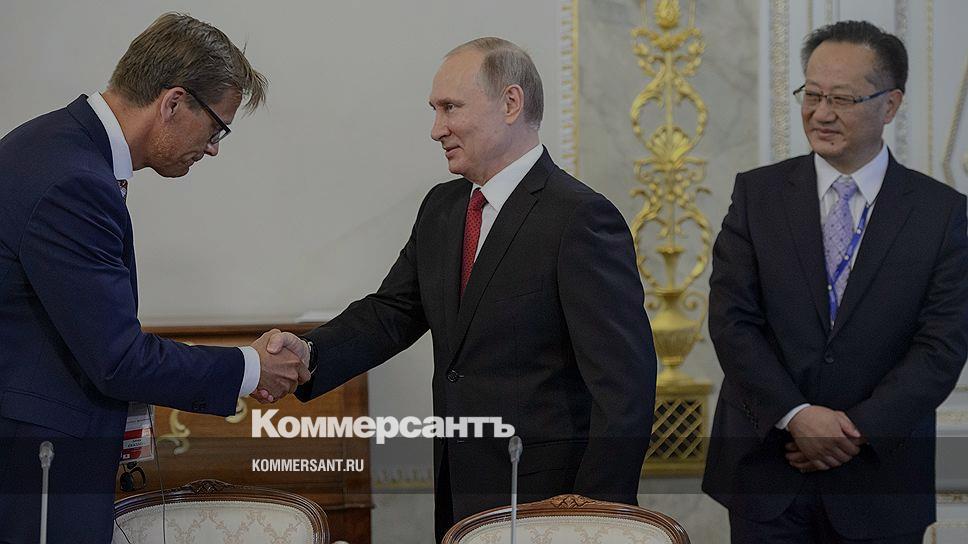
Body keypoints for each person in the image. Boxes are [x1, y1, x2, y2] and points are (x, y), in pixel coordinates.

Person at [264, 37, 656, 541]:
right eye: (434, 110)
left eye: (450, 108)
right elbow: (392, 312)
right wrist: (310, 353)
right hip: (458, 498)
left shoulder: (580, 217)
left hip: (550, 506)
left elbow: (625, 388)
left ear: (510, 103)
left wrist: (595, 517)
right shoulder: (443, 208)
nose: (436, 129)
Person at [0, 13, 308, 544]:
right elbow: (117, 359)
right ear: (173, 103)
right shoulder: (73, 178)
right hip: (38, 472)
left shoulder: (57, 146)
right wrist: (251, 366)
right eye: (217, 128)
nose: (212, 148)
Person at [703, 20, 968, 544]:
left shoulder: (942, 214)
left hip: (879, 479)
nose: (821, 113)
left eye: (842, 99)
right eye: (812, 94)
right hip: (767, 472)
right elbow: (732, 321)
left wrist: (855, 430)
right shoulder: (758, 196)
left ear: (890, 105)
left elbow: (942, 345)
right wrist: (797, 416)